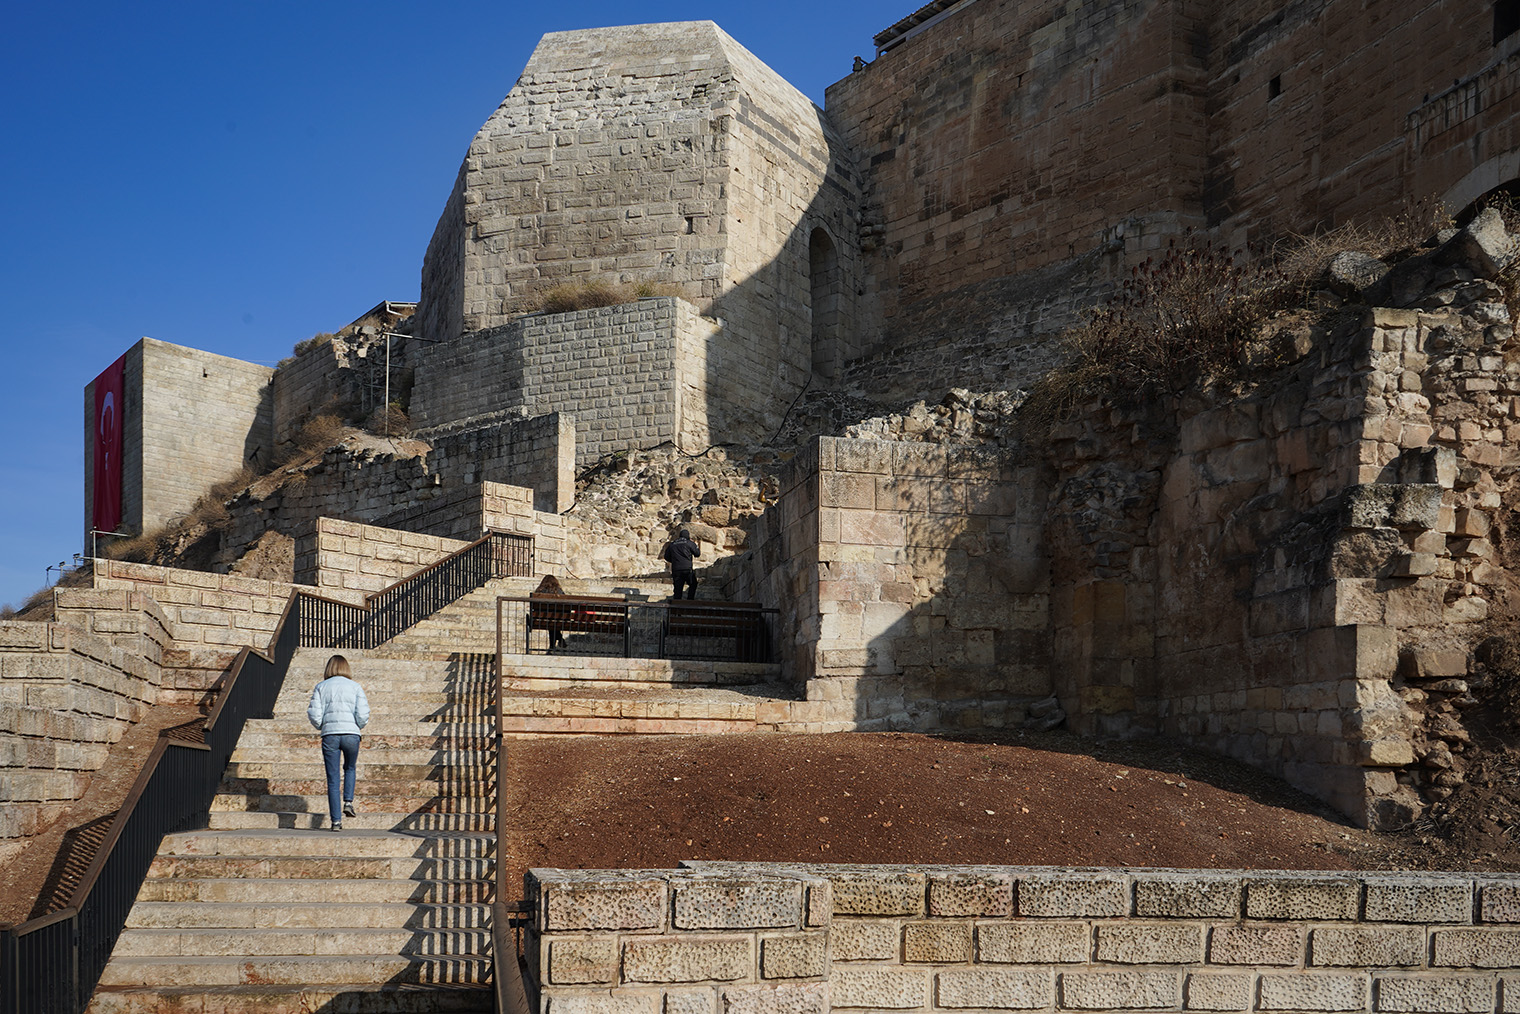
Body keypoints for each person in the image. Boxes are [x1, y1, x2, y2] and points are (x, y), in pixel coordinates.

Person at [307, 654, 370, 832]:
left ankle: (336, 822)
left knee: (333, 779)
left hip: (330, 735)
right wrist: (358, 725)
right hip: (351, 733)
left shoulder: (321, 687)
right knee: (350, 768)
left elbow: (314, 713)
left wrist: (322, 725)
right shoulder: (355, 686)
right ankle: (348, 801)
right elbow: (363, 713)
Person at [662, 528, 700, 600]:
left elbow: (666, 556)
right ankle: (690, 600)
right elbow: (697, 554)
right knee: (693, 584)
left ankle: (677, 605)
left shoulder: (673, 544)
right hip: (687, 569)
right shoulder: (689, 543)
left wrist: (675, 561)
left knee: (677, 588)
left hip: (676, 569)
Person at [534, 574, 568, 648]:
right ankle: (556, 641)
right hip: (559, 618)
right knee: (553, 624)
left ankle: (552, 646)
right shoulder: (559, 591)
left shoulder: (539, 591)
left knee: (551, 624)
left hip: (542, 618)